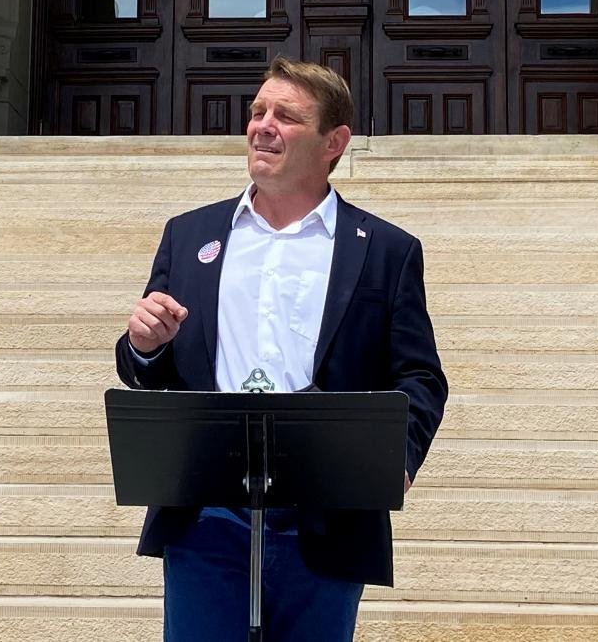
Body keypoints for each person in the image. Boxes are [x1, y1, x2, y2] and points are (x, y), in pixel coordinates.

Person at [115, 56, 447, 641]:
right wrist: (143, 345)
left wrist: (398, 462)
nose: (262, 125)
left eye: (286, 116)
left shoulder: (387, 251)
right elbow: (150, 364)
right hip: (206, 512)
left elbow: (420, 375)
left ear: (333, 142)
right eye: (257, 112)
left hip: (326, 514)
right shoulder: (189, 235)